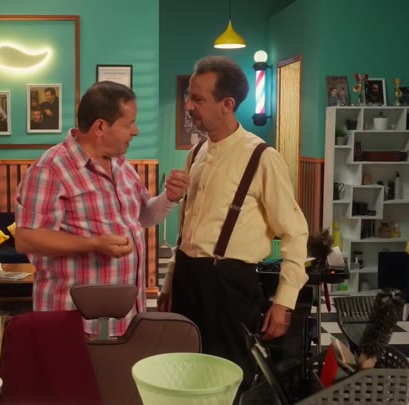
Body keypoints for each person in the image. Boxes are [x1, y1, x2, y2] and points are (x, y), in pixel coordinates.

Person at [158, 55, 309, 396]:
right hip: (187, 280)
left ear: (227, 104)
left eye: (198, 99)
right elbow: (187, 229)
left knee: (227, 381)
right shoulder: (197, 153)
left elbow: (295, 232)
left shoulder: (262, 157)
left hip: (229, 286)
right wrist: (169, 281)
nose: (188, 106)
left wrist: (284, 301)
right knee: (185, 376)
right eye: (188, 96)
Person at [14, 81, 189, 336]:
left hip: (126, 318)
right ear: (100, 127)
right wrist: (93, 244)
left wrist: (170, 197)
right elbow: (26, 238)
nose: (136, 131)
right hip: (74, 321)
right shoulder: (51, 168)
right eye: (129, 124)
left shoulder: (121, 165)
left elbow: (143, 216)